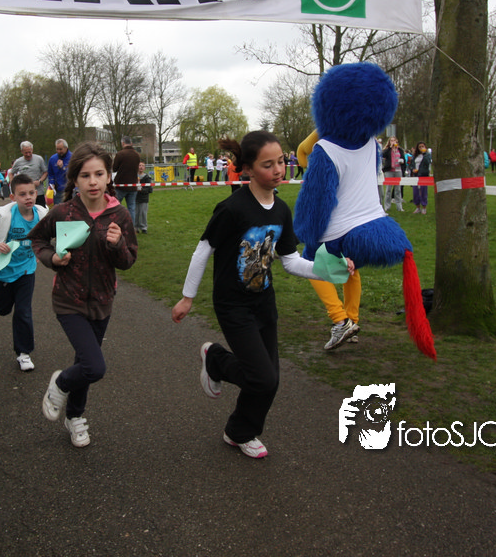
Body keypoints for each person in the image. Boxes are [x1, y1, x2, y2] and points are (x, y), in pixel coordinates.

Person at [171, 131, 354, 459]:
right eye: (268, 165)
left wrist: (329, 270)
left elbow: (291, 261)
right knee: (262, 377)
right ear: (248, 169)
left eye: (281, 161)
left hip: (263, 303)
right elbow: (203, 251)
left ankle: (239, 431)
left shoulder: (281, 210)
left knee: (270, 379)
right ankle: (216, 359)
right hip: (232, 304)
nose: (278, 169)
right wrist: (188, 297)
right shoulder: (232, 208)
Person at [29, 142, 138, 448]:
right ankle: (60, 382)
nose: (93, 181)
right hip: (68, 300)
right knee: (94, 366)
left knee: (84, 363)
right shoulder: (63, 212)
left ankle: (74, 416)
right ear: (74, 179)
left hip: (102, 302)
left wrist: (118, 245)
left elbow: (128, 261)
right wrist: (52, 258)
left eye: (99, 174)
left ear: (108, 177)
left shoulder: (120, 215)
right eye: (85, 175)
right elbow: (38, 240)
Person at [0, 174, 49, 372]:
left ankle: (23, 353)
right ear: (13, 197)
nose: (28, 197)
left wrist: (45, 251)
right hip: (5, 271)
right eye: (22, 194)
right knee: (3, 309)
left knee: (23, 311)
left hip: (27, 270)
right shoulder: (5, 217)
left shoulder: (42, 214)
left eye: (31, 193)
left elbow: (47, 236)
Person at [112, 135, 141, 222]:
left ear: (123, 143)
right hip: (133, 185)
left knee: (116, 206)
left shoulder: (120, 154)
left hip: (120, 185)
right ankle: (131, 227)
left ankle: (116, 224)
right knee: (131, 208)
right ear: (131, 143)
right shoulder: (137, 155)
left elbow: (114, 168)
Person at [11, 141, 48, 208]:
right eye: (26, 153)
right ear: (22, 151)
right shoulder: (18, 162)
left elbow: (45, 172)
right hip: (25, 194)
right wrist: (14, 185)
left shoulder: (39, 159)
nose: (28, 154)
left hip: (38, 192)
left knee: (41, 211)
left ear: (32, 150)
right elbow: (11, 173)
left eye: (29, 152)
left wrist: (40, 181)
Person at [381, 136, 406, 212]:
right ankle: (387, 206)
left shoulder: (400, 150)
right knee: (388, 189)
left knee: (398, 189)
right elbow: (383, 155)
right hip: (389, 171)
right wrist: (390, 148)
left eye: (394, 140)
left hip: (398, 170)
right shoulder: (388, 150)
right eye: (391, 141)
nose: (393, 142)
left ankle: (399, 207)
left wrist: (402, 161)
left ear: (396, 141)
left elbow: (403, 159)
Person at [47, 139, 71, 205]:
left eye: (60, 149)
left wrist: (63, 168)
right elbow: (50, 173)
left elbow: (73, 174)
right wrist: (52, 183)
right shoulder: (53, 159)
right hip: (58, 192)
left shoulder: (72, 158)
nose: (59, 151)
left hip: (70, 191)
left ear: (66, 148)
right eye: (57, 149)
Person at [409, 142, 431, 214]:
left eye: (422, 146)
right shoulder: (415, 156)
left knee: (423, 191)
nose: (421, 148)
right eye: (420, 147)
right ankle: (417, 207)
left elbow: (428, 163)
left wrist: (424, 154)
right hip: (416, 175)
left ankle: (424, 207)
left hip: (423, 175)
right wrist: (412, 169)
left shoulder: (427, 155)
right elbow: (411, 164)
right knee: (415, 192)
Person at [135, 161, 152, 233]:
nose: (141, 167)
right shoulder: (134, 177)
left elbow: (150, 189)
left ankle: (144, 227)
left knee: (143, 213)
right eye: (139, 165)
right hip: (135, 197)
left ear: (144, 168)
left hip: (144, 198)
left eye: (142, 166)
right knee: (135, 213)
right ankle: (135, 227)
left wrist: (142, 190)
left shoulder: (147, 177)